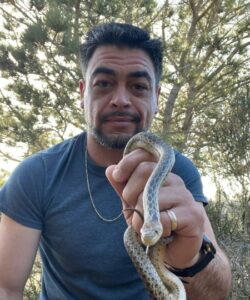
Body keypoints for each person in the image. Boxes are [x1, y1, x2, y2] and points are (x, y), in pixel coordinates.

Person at [0, 23, 231, 300]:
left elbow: (216, 293)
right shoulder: (36, 175)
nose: (120, 100)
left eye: (138, 86)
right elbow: (6, 287)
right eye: (104, 84)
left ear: (156, 98)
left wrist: (191, 256)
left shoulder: (177, 171)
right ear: (83, 94)